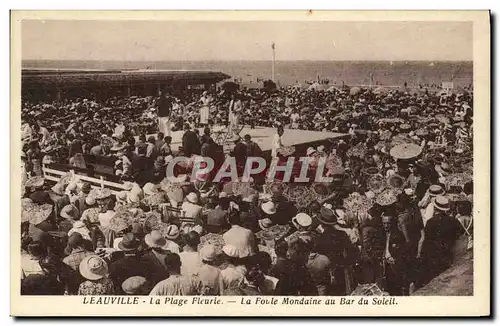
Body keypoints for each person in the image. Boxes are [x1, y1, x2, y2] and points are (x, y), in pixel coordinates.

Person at [418, 195, 463, 287]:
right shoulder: (453, 220)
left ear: (435, 208)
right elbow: (460, 236)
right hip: (449, 252)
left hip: (434, 254)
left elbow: (427, 240)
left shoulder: (431, 222)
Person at [381, 214, 409, 295]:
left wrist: (395, 259)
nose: (386, 226)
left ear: (392, 223)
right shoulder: (381, 234)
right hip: (384, 266)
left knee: (396, 290)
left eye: (388, 223)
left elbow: (403, 251)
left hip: (394, 267)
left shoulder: (398, 235)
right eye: (384, 223)